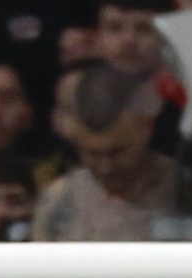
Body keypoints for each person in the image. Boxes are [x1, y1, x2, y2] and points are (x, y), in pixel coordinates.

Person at [30, 60, 181, 241]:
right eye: (92, 153)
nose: (106, 167)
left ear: (147, 126)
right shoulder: (57, 202)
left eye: (117, 152)